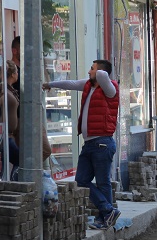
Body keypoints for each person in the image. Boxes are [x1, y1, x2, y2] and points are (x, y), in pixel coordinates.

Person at [42, 59, 120, 230]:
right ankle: (108, 211)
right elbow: (70, 83)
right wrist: (50, 84)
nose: (89, 72)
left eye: (91, 69)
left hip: (102, 143)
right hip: (89, 143)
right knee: (81, 180)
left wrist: (99, 69)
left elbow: (103, 75)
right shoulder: (88, 86)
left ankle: (104, 217)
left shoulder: (110, 88)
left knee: (103, 182)